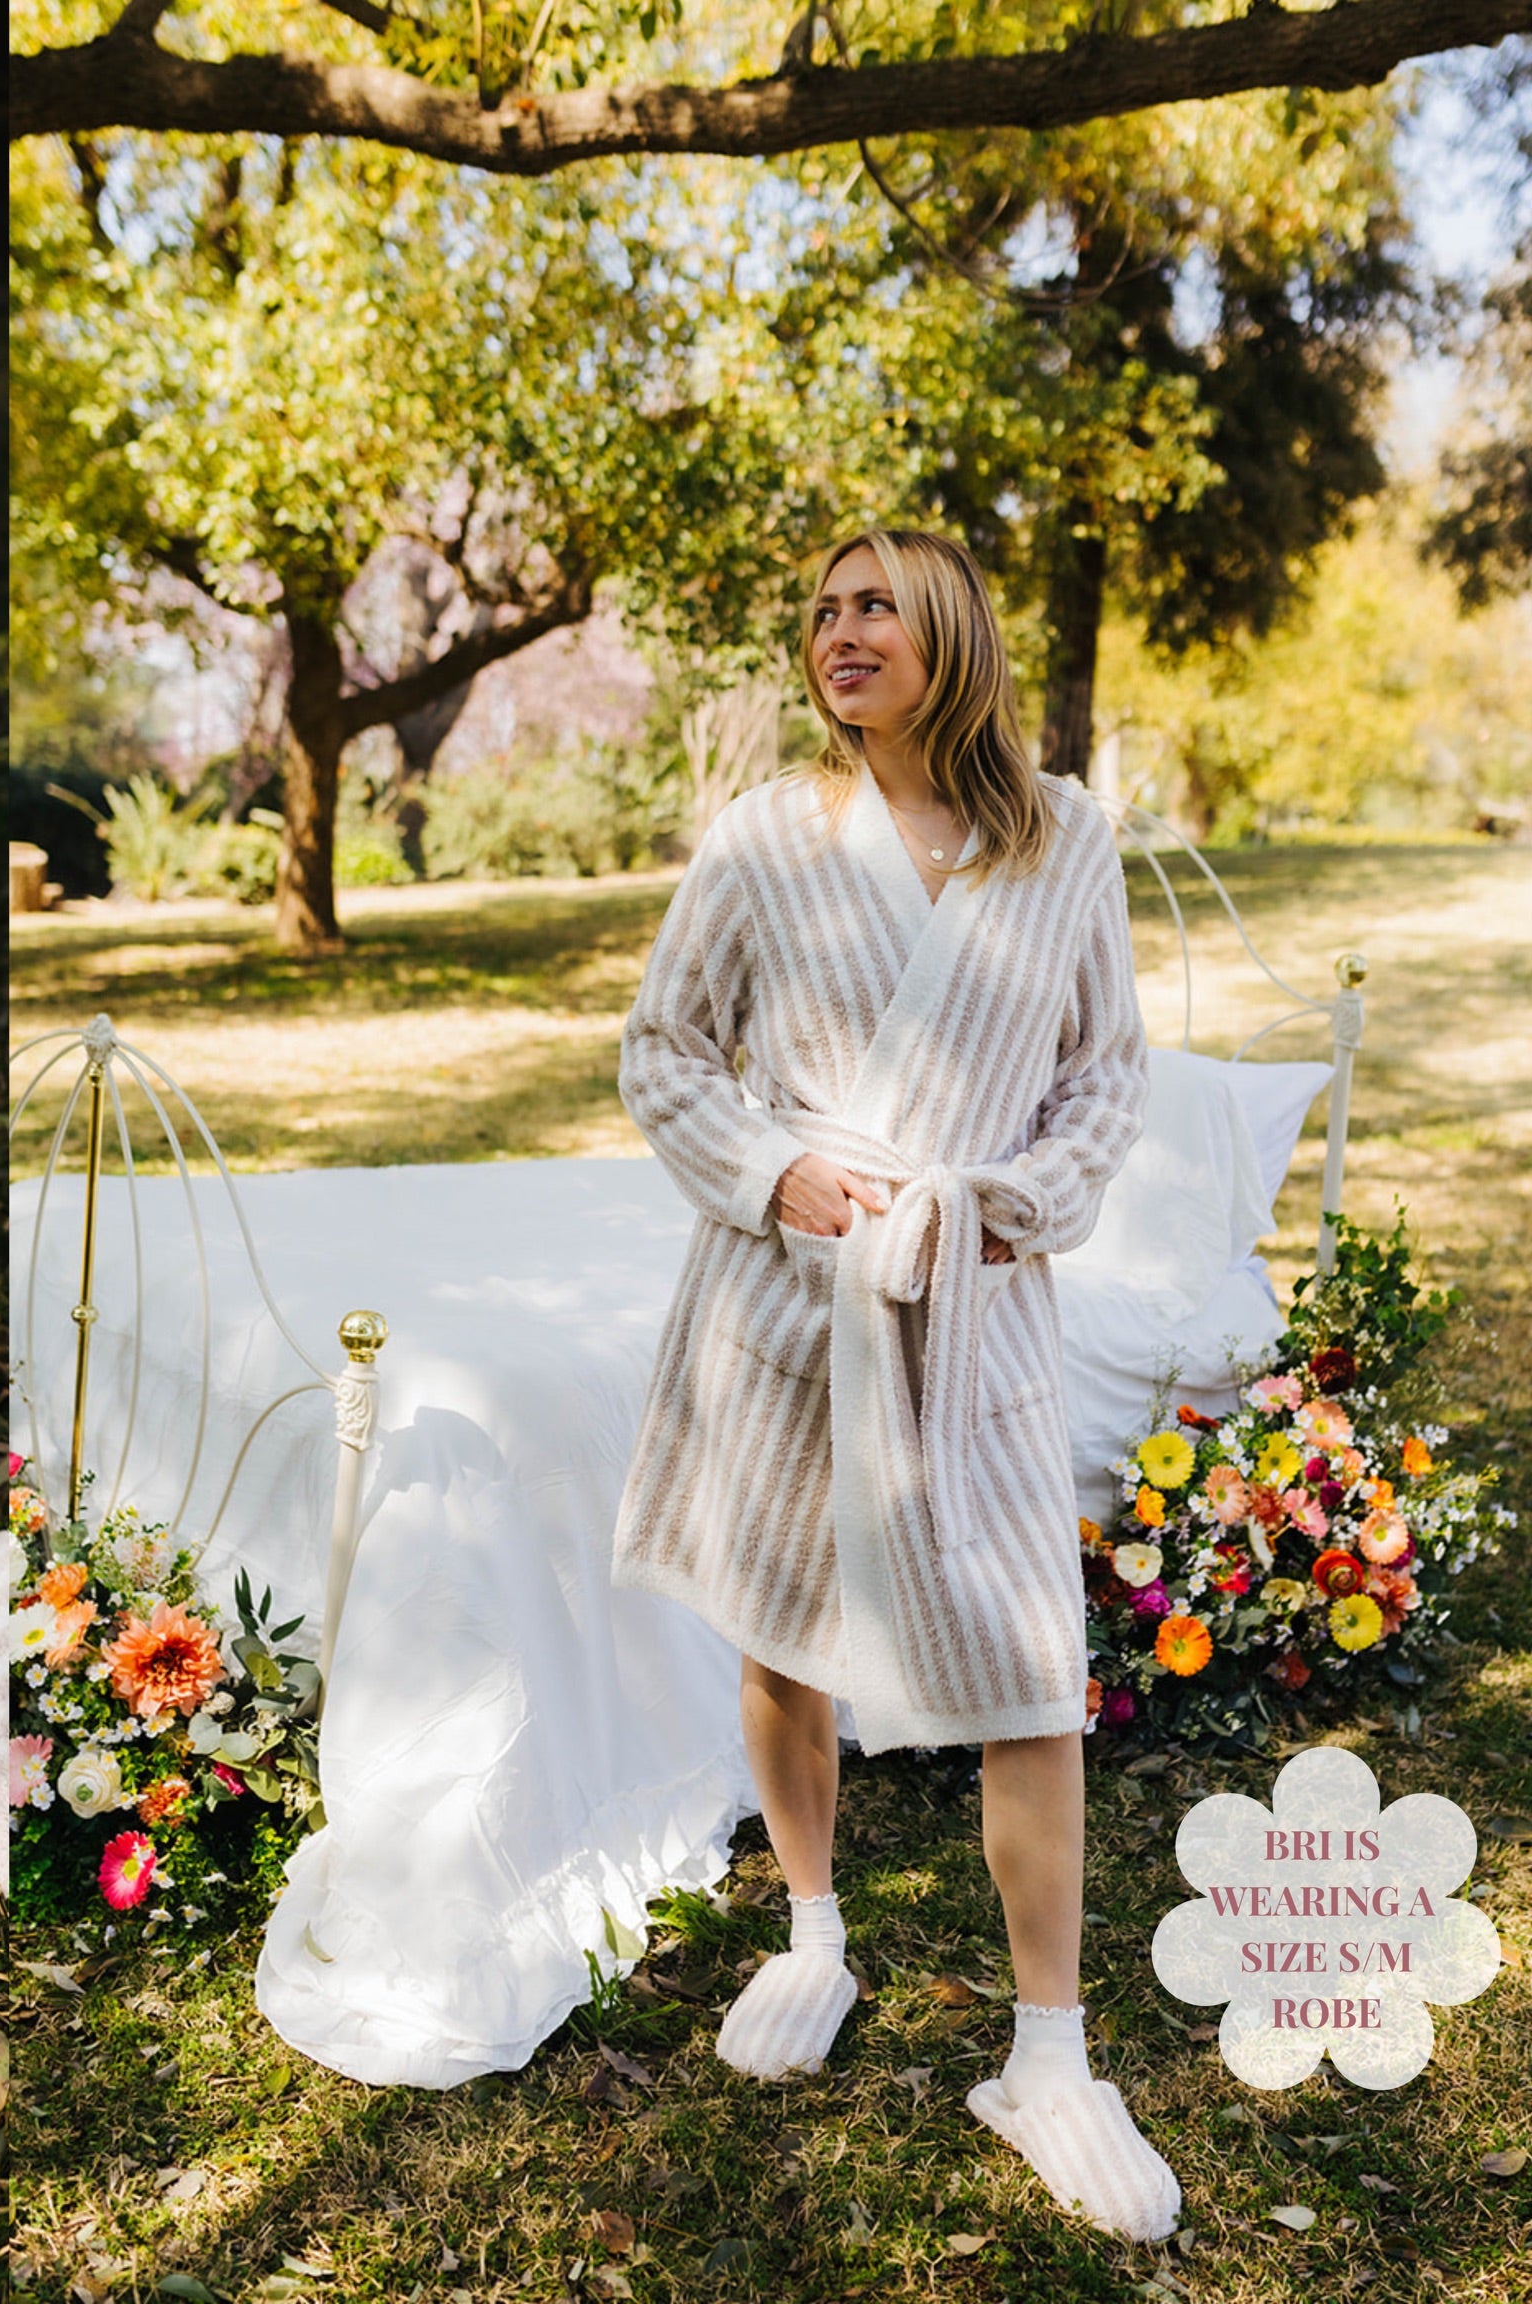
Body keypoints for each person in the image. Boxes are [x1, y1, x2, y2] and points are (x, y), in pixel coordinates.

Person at [610, 528, 1180, 2243]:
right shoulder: (766, 842)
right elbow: (664, 1052)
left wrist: (1025, 1208)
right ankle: (813, 1932)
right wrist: (775, 1172)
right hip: (787, 1297)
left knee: (1026, 1671)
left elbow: (1103, 1074)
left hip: (975, 1298)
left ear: (949, 629)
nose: (838, 632)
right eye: (821, 613)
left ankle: (1052, 2056)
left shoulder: (1064, 838)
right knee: (784, 1627)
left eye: (873, 604)